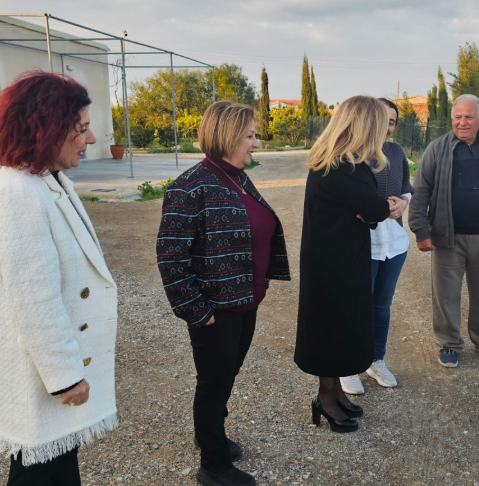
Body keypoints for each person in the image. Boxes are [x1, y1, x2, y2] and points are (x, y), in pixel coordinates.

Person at [0, 71, 118, 486]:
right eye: (80, 129)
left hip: (45, 370)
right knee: (38, 473)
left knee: (59, 466)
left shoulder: (47, 180)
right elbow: (34, 300)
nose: (91, 139)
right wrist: (65, 376)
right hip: (36, 374)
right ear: (45, 129)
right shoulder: (17, 194)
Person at [157, 101, 290, 486]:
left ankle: (209, 434)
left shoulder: (238, 178)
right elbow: (171, 258)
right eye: (250, 136)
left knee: (226, 376)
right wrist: (197, 312)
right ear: (228, 135)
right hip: (216, 310)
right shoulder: (189, 187)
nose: (256, 144)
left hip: (246, 302)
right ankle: (213, 465)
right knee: (214, 384)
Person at [294, 96, 396, 433]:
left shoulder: (335, 159)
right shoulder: (343, 165)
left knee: (339, 325)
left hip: (335, 255)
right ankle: (325, 398)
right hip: (334, 261)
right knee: (332, 327)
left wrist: (372, 210)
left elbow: (365, 209)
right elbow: (373, 208)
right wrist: (389, 206)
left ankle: (335, 392)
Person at [408, 94, 479, 368]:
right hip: (447, 236)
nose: (462, 122)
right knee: (445, 294)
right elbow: (420, 192)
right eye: (458, 117)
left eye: (469, 117)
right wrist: (421, 231)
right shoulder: (437, 149)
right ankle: (449, 343)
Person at [340, 98, 414, 395]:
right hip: (363, 242)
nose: (386, 127)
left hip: (393, 243)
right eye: (382, 120)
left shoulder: (396, 152)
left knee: (381, 305)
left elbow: (407, 187)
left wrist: (404, 202)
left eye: (392, 122)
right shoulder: (351, 154)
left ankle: (375, 359)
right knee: (356, 305)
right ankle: (347, 364)